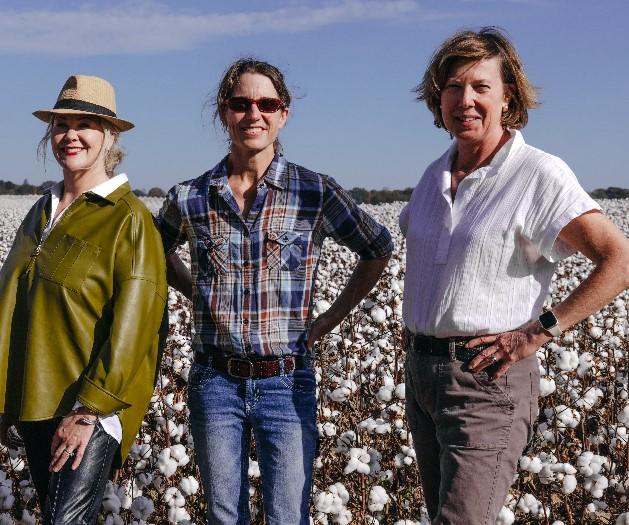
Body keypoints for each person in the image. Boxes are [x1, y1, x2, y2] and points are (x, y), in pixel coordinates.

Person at [401, 28, 629, 524]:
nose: (466, 100)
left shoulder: (538, 174)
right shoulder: (431, 176)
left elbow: (621, 259)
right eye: (453, 87)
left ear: (508, 98)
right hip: (422, 377)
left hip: (485, 382)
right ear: (437, 99)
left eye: (482, 87)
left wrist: (539, 329)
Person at [157, 58, 393, 524]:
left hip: (287, 380)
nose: (253, 114)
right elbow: (151, 251)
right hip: (214, 381)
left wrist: (331, 318)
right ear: (224, 112)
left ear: (283, 114)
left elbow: (378, 249)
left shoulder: (315, 192)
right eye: (241, 103)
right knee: (225, 517)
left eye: (267, 104)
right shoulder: (189, 196)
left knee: (288, 516)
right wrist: (194, 292)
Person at [0, 75, 167, 524]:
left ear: (109, 136)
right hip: (34, 398)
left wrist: (88, 409)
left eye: (85, 124)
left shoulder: (128, 218)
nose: (70, 135)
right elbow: (12, 304)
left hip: (87, 409)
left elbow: (137, 325)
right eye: (61, 125)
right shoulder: (40, 211)